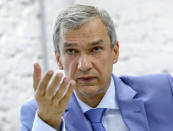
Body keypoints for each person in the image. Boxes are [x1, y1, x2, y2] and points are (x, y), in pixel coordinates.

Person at [20, 4, 173, 131]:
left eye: (96, 49)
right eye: (71, 51)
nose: (84, 65)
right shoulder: (39, 114)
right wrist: (48, 124)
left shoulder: (163, 91)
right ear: (59, 59)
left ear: (115, 51)